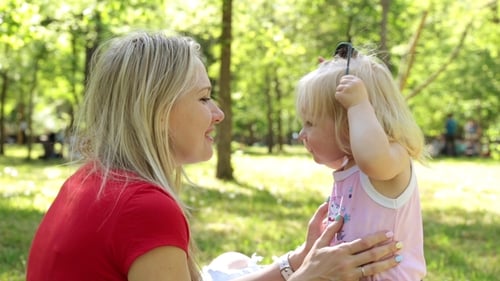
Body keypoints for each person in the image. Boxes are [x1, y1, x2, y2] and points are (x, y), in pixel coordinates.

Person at [26, 31, 402, 281]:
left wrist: (296, 262)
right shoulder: (142, 209)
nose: (218, 113)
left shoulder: (90, 180)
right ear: (158, 112)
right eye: (204, 97)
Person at [295, 43, 427, 280]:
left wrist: (358, 104)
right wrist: (328, 80)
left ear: (348, 123)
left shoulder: (391, 159)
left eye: (310, 123)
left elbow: (371, 158)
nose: (301, 134)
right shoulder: (350, 165)